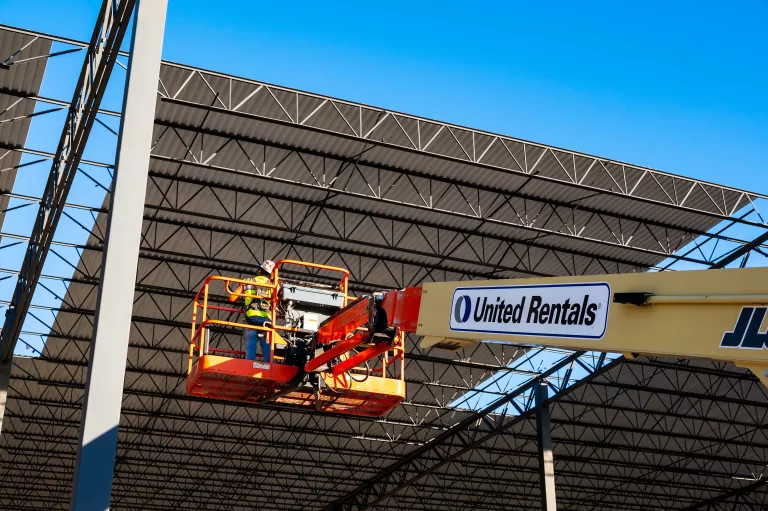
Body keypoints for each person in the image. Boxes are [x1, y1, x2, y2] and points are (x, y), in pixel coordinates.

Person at [242, 259, 276, 363]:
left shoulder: (247, 281)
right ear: (272, 274)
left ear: (259, 270)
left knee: (251, 345)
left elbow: (232, 297)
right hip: (266, 321)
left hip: (250, 320)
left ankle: (249, 365)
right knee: (267, 346)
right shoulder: (274, 286)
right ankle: (270, 366)